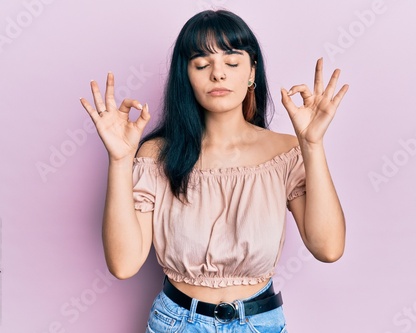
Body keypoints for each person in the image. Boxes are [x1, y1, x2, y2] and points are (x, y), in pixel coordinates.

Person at [80, 9, 347, 333]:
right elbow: (123, 264)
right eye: (202, 64)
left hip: (260, 324)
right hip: (176, 323)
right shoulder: (157, 156)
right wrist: (120, 161)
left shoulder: (285, 153)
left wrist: (312, 145)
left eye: (232, 62)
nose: (218, 74)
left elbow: (329, 248)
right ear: (185, 76)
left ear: (252, 73)